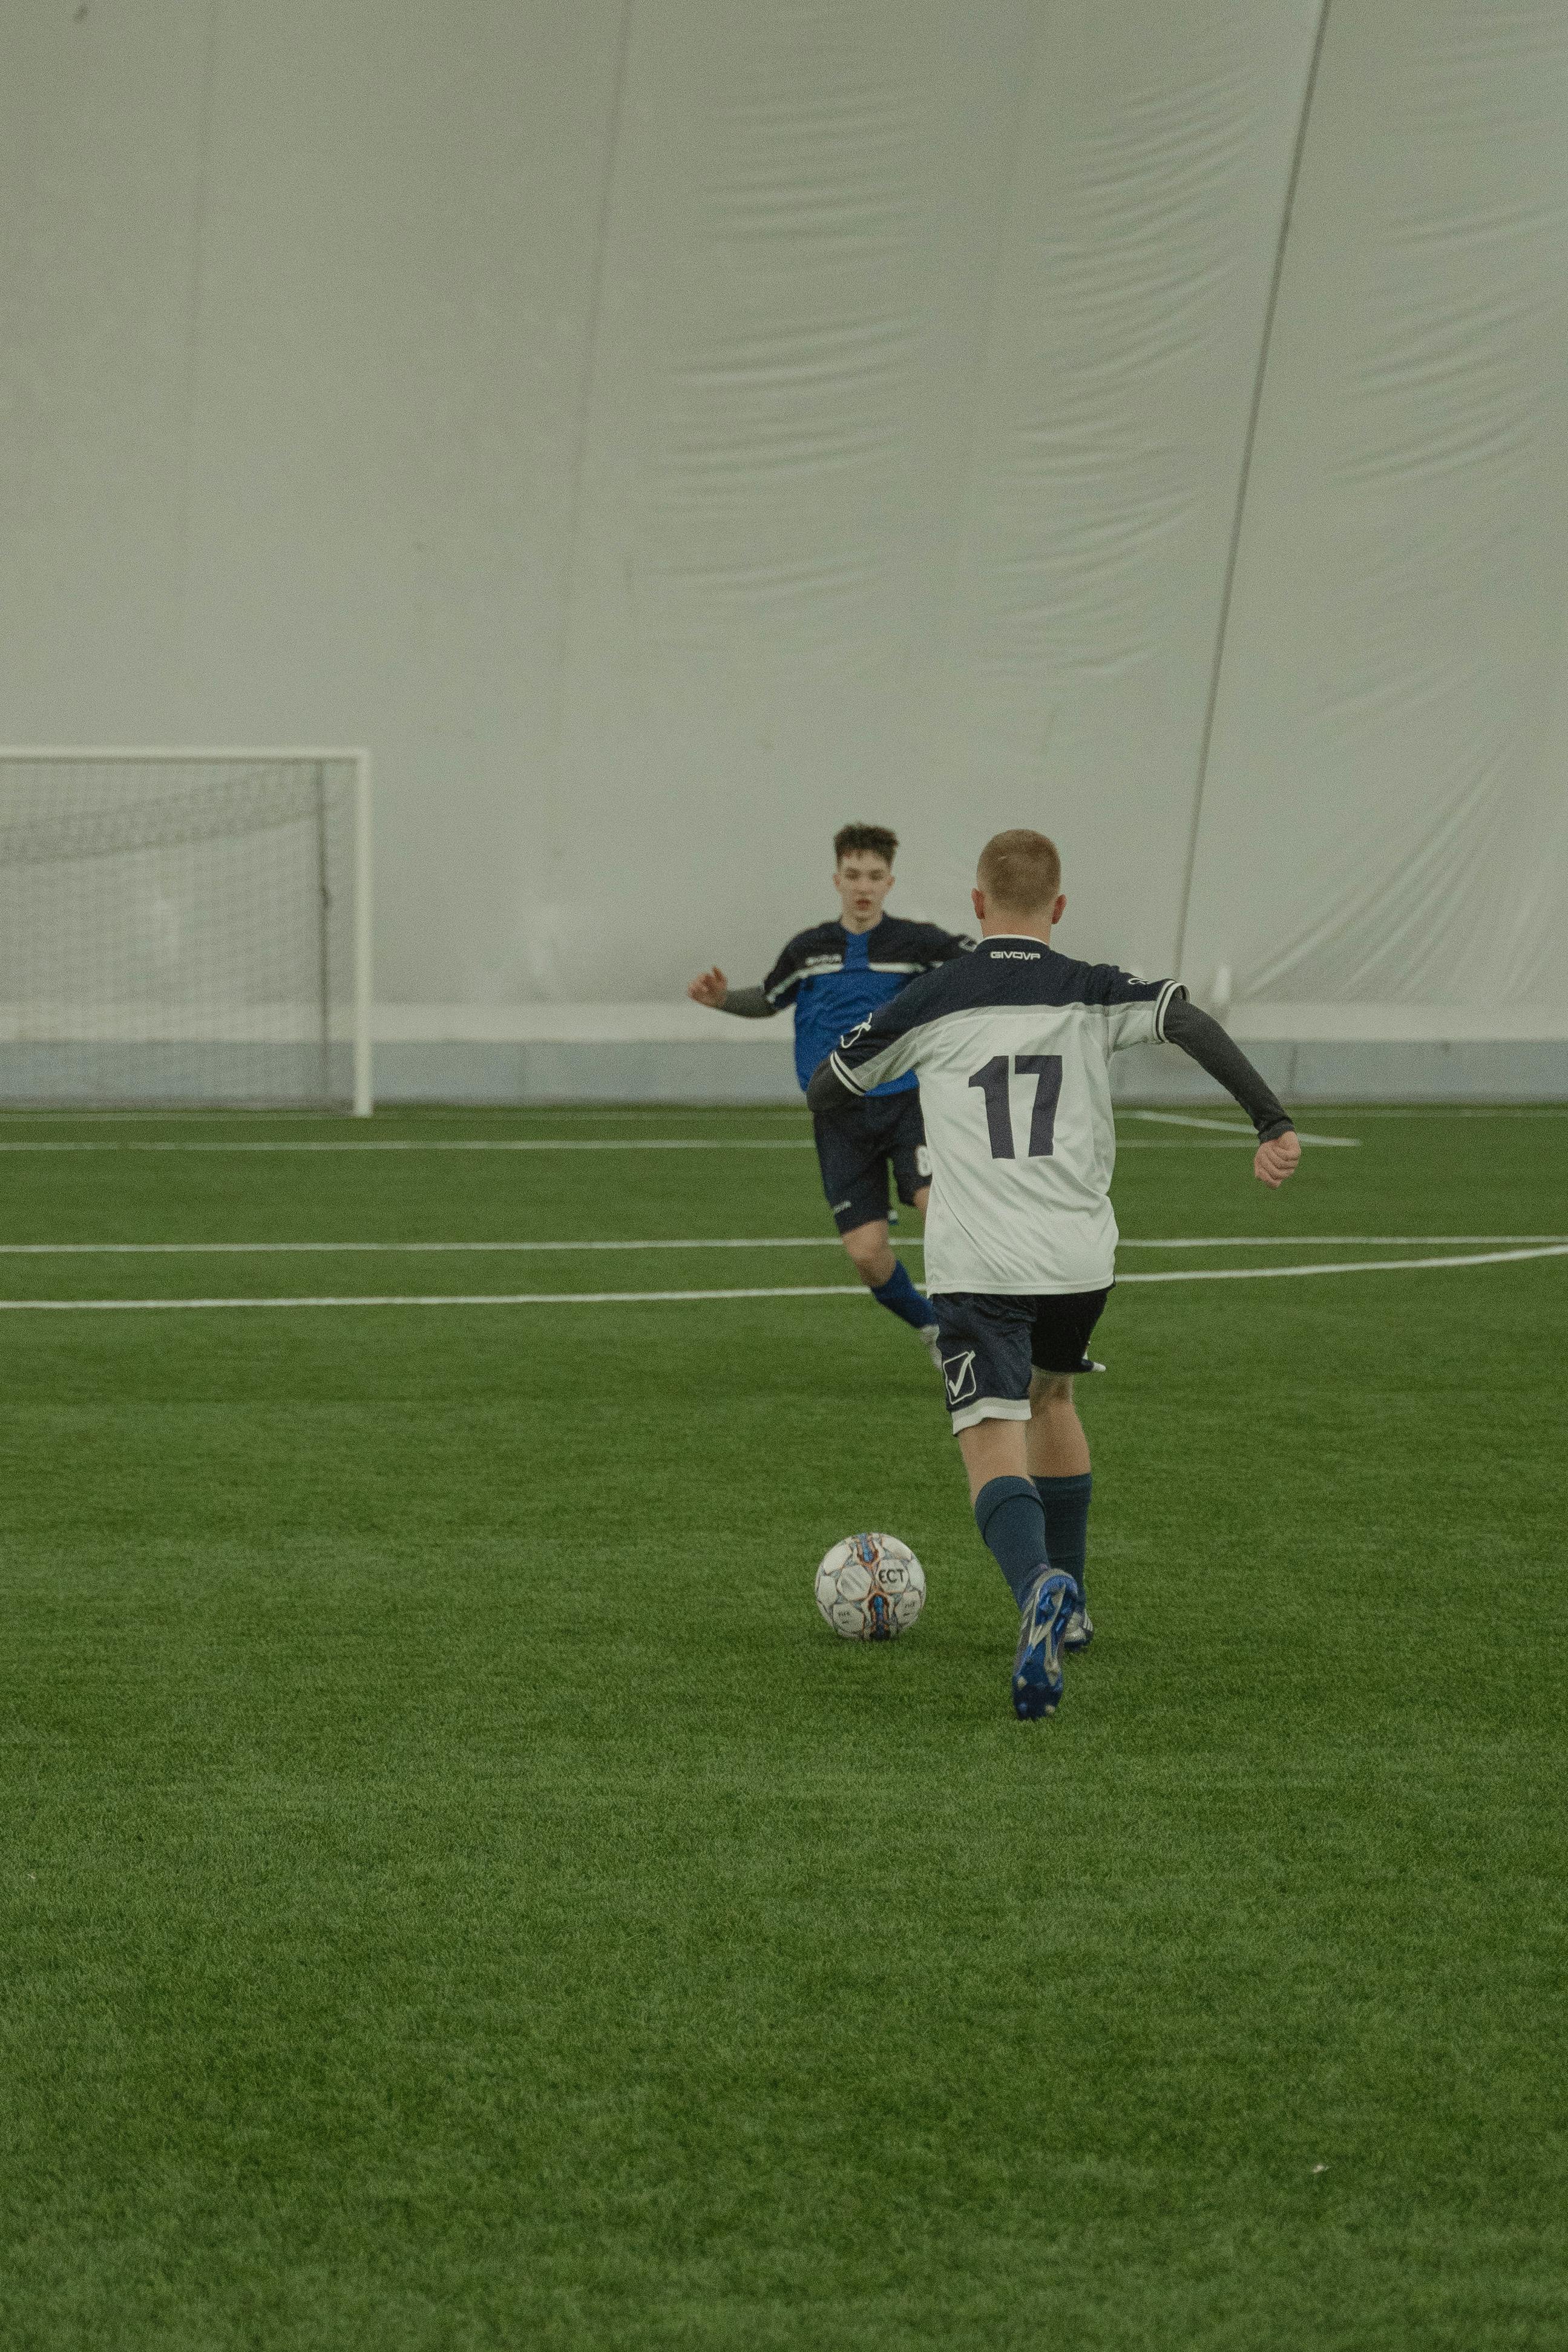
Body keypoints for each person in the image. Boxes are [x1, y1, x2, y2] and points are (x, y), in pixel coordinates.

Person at [807, 827, 1301, 1721]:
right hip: (1078, 1256)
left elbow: (832, 1085)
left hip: (979, 1256)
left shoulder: (934, 996)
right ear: (1057, 908)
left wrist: (909, 1137)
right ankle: (1070, 1607)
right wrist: (1269, 1121)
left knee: (988, 1434)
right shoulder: (1090, 988)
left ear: (975, 905)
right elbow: (1185, 1019)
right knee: (1054, 1399)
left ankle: (1037, 1584)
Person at [687, 823, 972, 1362]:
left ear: (890, 882)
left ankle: (983, 1326)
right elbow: (769, 1000)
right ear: (836, 880)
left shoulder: (916, 944)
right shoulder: (807, 949)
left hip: (907, 1103)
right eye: (852, 875)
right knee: (867, 1255)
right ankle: (935, 1328)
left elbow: (978, 959)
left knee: (939, 1212)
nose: (863, 886)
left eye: (874, 876)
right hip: (837, 1114)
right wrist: (723, 999)